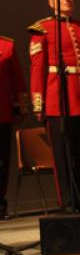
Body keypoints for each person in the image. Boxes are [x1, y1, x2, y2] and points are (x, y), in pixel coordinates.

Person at [29, 0, 80, 211]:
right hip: (58, 102)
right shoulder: (42, 29)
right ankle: (69, 207)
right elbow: (37, 69)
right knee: (63, 160)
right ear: (51, 2)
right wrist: (39, 103)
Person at [0, 36, 27, 219]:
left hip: (1, 114)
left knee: (1, 162)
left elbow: (17, 81)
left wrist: (21, 108)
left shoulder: (6, 46)